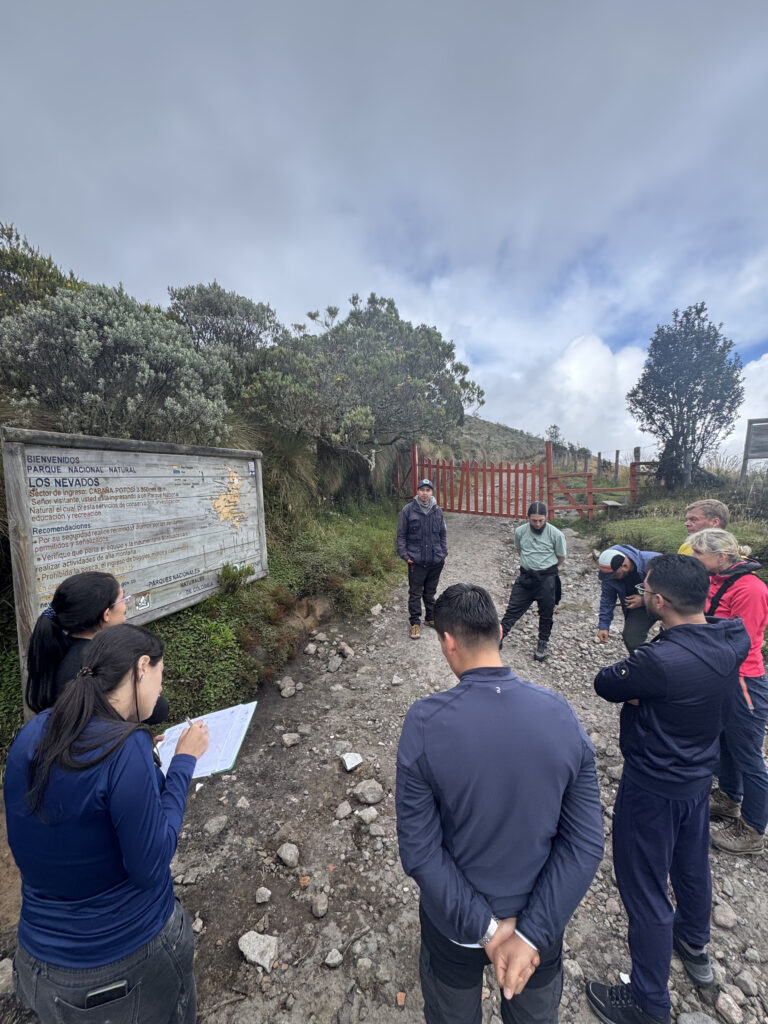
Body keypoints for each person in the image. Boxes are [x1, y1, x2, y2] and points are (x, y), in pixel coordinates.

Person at [396, 583, 603, 1024]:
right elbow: (584, 845)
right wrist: (527, 934)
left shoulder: (424, 723)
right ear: (501, 633)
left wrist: (488, 931)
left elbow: (420, 849)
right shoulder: (562, 714)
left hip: (454, 930)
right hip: (538, 929)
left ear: (447, 641)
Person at [5, 624, 209, 1023]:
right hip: (125, 959)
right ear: (142, 668)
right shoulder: (125, 747)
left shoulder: (34, 732)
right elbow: (150, 867)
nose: (160, 691)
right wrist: (184, 762)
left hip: (38, 961)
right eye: (161, 677)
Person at [586, 555, 749, 1024]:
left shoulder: (657, 661)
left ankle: (648, 1002)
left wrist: (645, 689)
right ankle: (694, 944)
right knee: (692, 866)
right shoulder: (731, 637)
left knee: (645, 889)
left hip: (654, 787)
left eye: (648, 588)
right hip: (699, 780)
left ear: (659, 601)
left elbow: (606, 683)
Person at [688, 528, 768, 855]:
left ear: (721, 557)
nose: (693, 559)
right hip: (720, 673)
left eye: (698, 554)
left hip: (743, 680)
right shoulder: (717, 579)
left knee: (749, 754)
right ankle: (729, 797)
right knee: (725, 741)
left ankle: (753, 830)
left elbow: (742, 641)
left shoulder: (750, 589)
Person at [26, 570, 169, 724]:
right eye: (122, 599)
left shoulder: (57, 650)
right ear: (106, 614)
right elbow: (158, 710)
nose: (126, 604)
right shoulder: (103, 660)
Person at [499, 501, 566, 662]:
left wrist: (545, 569)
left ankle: (542, 644)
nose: (537, 524)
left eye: (541, 520)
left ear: (546, 518)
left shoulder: (556, 534)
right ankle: (498, 637)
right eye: (534, 520)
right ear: (527, 517)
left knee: (546, 613)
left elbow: (561, 557)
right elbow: (519, 550)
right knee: (513, 609)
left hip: (547, 579)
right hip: (526, 577)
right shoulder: (520, 531)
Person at [396, 478, 447, 640]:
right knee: (415, 593)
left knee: (430, 592)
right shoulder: (408, 511)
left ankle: (430, 618)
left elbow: (442, 533)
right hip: (416, 562)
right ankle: (415, 623)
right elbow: (401, 536)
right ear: (417, 491)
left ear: (432, 492)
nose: (425, 493)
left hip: (435, 561)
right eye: (422, 490)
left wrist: (442, 553)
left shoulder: (437, 511)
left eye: (428, 490)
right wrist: (406, 556)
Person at [596, 546, 661, 652]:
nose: (611, 578)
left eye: (614, 575)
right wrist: (604, 626)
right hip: (640, 607)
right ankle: (644, 663)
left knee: (674, 636)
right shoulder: (610, 572)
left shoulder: (655, 561)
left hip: (669, 603)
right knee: (631, 638)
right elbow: (607, 599)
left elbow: (676, 590)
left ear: (625, 566)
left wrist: (643, 600)